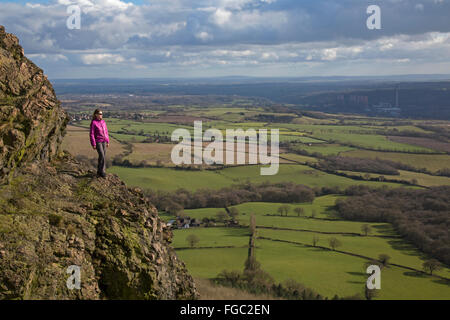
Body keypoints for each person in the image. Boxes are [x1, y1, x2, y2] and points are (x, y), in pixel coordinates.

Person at [89, 109, 110, 178]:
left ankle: (99, 171)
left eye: (101, 114)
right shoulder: (93, 123)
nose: (101, 115)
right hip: (98, 142)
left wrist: (107, 141)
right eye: (100, 114)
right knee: (102, 156)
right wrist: (93, 144)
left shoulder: (103, 122)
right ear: (96, 115)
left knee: (102, 157)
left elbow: (106, 132)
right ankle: (102, 172)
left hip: (104, 141)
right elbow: (91, 134)